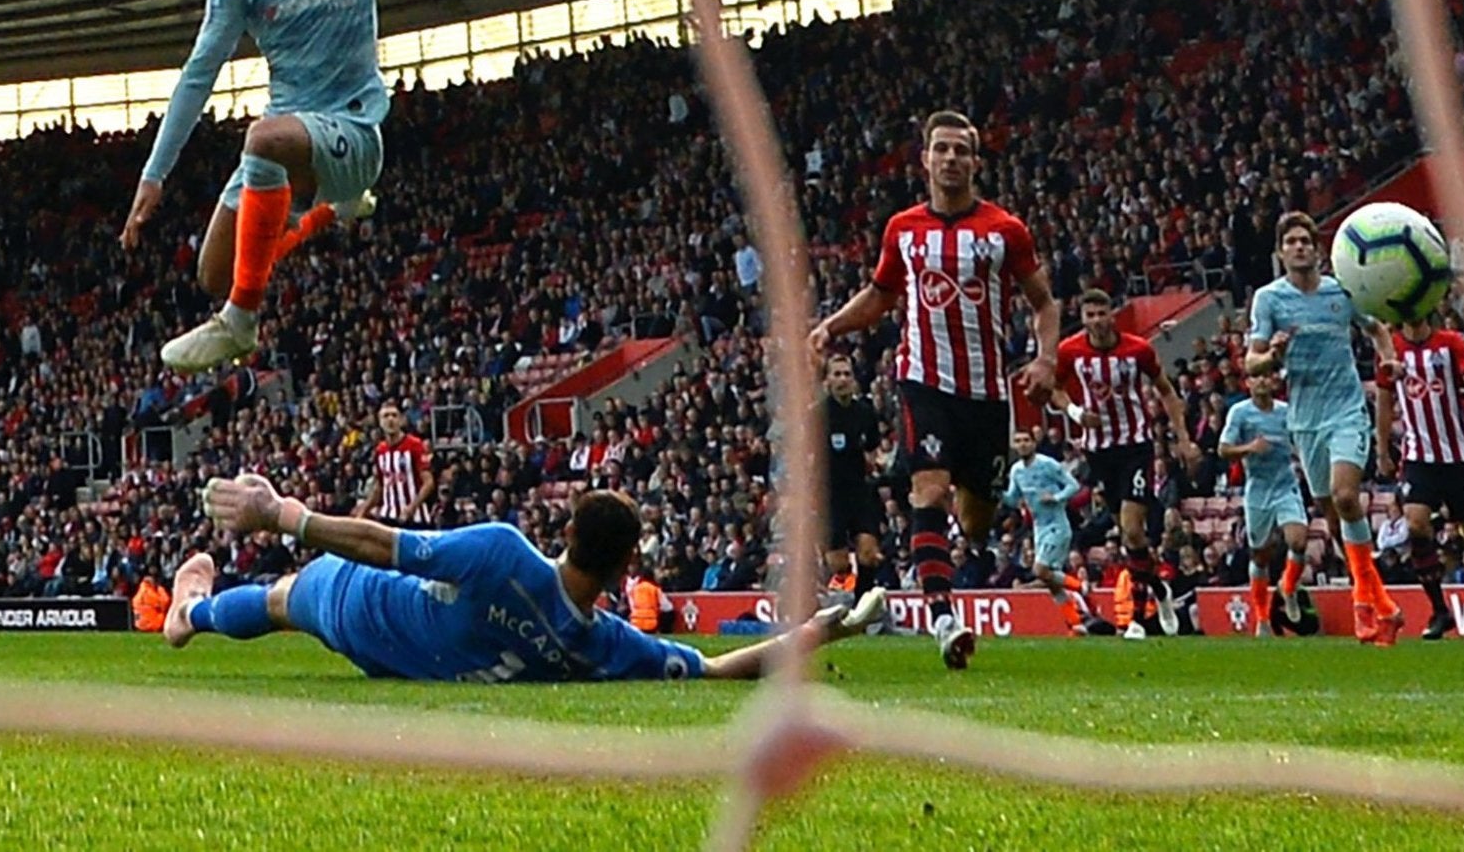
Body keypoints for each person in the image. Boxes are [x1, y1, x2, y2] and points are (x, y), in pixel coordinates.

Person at [127, 0, 588, 370]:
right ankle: (325, 214)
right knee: (215, 274)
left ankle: (241, 322)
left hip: (353, 128)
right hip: (296, 133)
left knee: (263, 138)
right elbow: (199, 73)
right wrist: (154, 175)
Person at [172, 474, 884, 682]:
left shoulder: (503, 552)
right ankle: (195, 608)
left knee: (278, 598)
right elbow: (723, 667)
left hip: (363, 607)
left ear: (566, 532)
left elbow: (382, 542)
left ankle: (192, 612)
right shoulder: (607, 644)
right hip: (394, 663)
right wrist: (820, 629)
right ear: (627, 566)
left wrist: (284, 514)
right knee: (284, 601)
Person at [808, 109, 1060, 670]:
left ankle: (944, 559)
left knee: (975, 519)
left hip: (989, 394)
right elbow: (879, 296)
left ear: (975, 161)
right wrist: (832, 326)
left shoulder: (1004, 231)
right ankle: (944, 619)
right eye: (941, 149)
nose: (950, 159)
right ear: (924, 159)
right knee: (929, 489)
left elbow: (1044, 302)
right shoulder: (903, 230)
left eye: (961, 151)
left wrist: (1046, 360)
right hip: (923, 382)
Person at [1245, 211, 1402, 645]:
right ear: (1281, 251)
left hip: (1347, 410)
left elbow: (1378, 330)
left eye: (1305, 241)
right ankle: (1377, 596)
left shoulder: (1342, 291)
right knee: (1333, 517)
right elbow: (1251, 362)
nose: (1299, 247)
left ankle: (1362, 606)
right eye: (1291, 241)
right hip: (1304, 420)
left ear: (1317, 248)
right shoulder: (1269, 300)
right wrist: (1272, 358)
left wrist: (1387, 360)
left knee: (1346, 495)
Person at [1052, 288, 1201, 637]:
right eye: (1089, 315)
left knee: (1133, 529)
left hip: (1135, 445)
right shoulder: (1070, 350)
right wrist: (1075, 411)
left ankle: (1135, 619)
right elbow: (1053, 389)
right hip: (1098, 451)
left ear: (1111, 315)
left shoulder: (1138, 350)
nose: (1096, 321)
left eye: (1101, 313)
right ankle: (1160, 589)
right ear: (1083, 317)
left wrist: (1182, 438)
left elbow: (1166, 390)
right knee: (1128, 536)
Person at [1376, 312, 1464, 641]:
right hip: (1419, 456)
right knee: (1416, 522)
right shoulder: (1392, 349)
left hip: (1459, 455)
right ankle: (1439, 610)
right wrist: (1381, 448)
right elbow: (1385, 399)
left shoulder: (1450, 342)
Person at [1217, 368, 1312, 638]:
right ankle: (1261, 618)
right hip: (1258, 490)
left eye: (1264, 376)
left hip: (1286, 486)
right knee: (1260, 555)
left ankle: (1289, 587)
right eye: (1254, 377)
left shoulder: (1285, 411)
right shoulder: (1239, 412)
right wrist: (1248, 448)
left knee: (1298, 541)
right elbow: (1223, 449)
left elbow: (1300, 439)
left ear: (1272, 381)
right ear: (1247, 382)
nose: (1260, 381)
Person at [998, 430, 1101, 635]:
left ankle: (1081, 587)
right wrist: (997, 492)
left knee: (1040, 570)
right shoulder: (1017, 470)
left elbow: (1073, 486)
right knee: (1051, 582)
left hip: (1057, 525)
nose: (1023, 444)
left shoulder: (1048, 464)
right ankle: (1075, 625)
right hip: (1039, 528)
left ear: (1034, 443)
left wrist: (1056, 497)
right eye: (1018, 441)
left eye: (1026, 440)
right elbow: (1012, 498)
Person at [819, 354, 885, 597]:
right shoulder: (818, 415)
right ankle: (834, 596)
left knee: (868, 553)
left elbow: (873, 450)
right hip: (830, 495)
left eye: (847, 374)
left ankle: (862, 605)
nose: (843, 379)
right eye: (837, 374)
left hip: (859, 491)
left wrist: (877, 467)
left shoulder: (865, 412)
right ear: (827, 380)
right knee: (839, 564)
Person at [354, 400, 434, 527]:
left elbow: (428, 482)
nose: (390, 419)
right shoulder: (380, 450)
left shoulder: (414, 445)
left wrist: (412, 507)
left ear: (401, 420)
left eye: (394, 415)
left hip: (415, 518)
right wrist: (363, 511)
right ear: (380, 422)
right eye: (386, 416)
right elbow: (380, 486)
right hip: (388, 516)